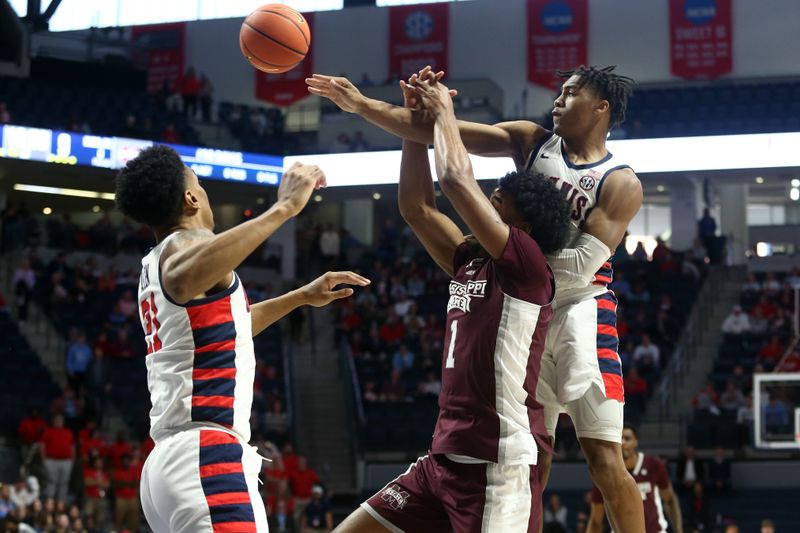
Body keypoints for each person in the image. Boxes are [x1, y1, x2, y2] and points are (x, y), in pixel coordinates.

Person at [308, 64, 645, 531]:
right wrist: (363, 106)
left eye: (570, 94)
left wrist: (508, 256)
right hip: (523, 300)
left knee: (603, 455)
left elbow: (575, 267)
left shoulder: (619, 180)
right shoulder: (532, 140)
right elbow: (437, 134)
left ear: (601, 108)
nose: (557, 101)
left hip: (578, 307)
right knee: (537, 459)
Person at [333, 70, 571, 532]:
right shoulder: (469, 261)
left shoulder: (526, 265)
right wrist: (414, 129)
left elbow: (457, 181)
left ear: (521, 225)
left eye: (498, 201)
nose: (489, 202)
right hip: (440, 460)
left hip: (497, 464)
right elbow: (418, 209)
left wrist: (444, 113)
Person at [114, 145, 369, 533]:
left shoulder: (154, 263)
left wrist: (300, 296)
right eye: (199, 183)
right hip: (204, 454)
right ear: (191, 198)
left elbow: (230, 329)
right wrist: (284, 207)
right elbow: (185, 275)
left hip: (172, 464)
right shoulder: (183, 248)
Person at [588, 426, 683, 533]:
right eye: (619, 439)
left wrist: (679, 530)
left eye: (627, 438)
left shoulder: (654, 465)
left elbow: (670, 500)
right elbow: (596, 519)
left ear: (635, 442)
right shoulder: (605, 473)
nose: (623, 442)